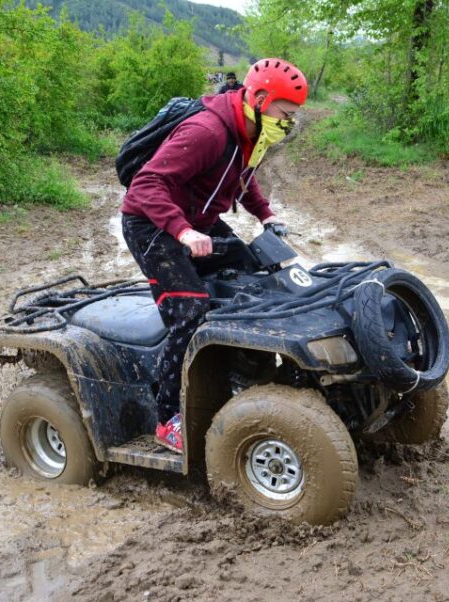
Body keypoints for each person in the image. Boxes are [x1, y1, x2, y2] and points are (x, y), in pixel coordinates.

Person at [120, 58, 308, 453]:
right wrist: (183, 230)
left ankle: (234, 368)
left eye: (294, 117)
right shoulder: (207, 131)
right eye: (285, 114)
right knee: (188, 311)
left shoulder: (249, 130)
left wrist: (267, 215)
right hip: (152, 223)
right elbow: (146, 185)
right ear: (258, 98)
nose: (289, 123)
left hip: (194, 219)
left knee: (251, 271)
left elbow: (242, 178)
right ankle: (167, 417)